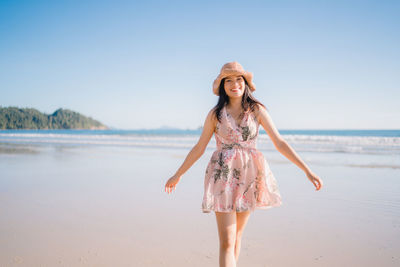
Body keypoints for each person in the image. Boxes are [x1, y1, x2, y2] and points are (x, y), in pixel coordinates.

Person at [164, 61, 323, 267]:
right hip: (223, 177)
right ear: (222, 86)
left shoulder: (256, 110)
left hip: (249, 175)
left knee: (237, 236)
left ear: (245, 83)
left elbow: (280, 142)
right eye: (228, 80)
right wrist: (178, 174)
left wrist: (307, 171)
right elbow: (199, 147)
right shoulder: (215, 115)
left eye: (238, 79)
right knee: (227, 240)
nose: (234, 84)